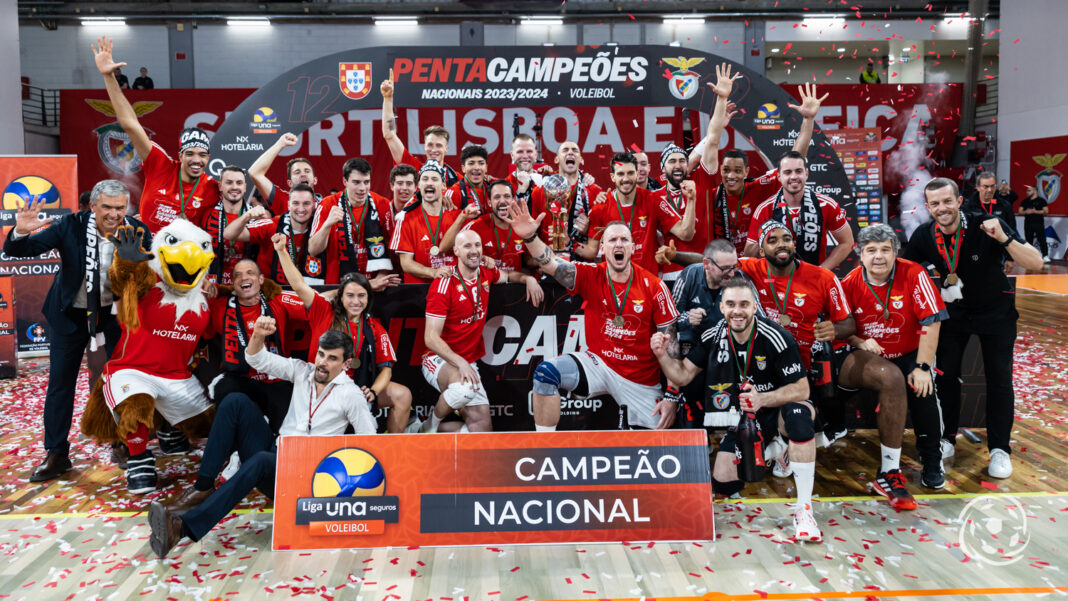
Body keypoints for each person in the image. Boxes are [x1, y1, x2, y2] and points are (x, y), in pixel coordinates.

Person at [148, 319, 376, 559]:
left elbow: (370, 444)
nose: (322, 363)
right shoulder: (302, 371)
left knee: (260, 460)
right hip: (277, 457)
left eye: (332, 358)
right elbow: (257, 359)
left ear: (346, 363)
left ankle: (182, 528)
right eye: (321, 354)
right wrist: (257, 334)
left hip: (307, 479)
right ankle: (203, 488)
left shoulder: (351, 395)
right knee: (235, 402)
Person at [650, 277, 821, 542]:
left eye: (744, 304)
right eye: (730, 304)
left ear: (755, 307)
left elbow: (802, 390)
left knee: (797, 416)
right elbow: (683, 375)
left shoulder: (776, 336)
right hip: (744, 417)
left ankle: (804, 510)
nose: (737, 310)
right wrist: (663, 356)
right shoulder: (712, 334)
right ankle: (778, 450)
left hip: (777, 407)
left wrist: (762, 399)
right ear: (722, 307)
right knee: (724, 481)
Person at [3, 180, 150, 481]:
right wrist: (20, 231)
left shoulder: (137, 230)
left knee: (121, 382)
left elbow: (147, 277)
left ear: (127, 207)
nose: (113, 214)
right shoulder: (69, 225)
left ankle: (122, 443)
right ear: (92, 206)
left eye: (119, 207)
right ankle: (56, 454)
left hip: (112, 318)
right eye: (106, 207)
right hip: (69, 315)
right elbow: (19, 250)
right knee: (60, 385)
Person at [903, 177, 1043, 479]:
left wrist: (1004, 239)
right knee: (947, 377)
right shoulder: (924, 235)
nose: (942, 208)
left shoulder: (987, 224)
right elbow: (903, 271)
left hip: (996, 313)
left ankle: (1000, 449)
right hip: (954, 314)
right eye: (935, 204)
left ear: (959, 201)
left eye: (947, 201)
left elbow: (1036, 262)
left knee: (1000, 380)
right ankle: (947, 438)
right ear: (928, 207)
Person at [503, 202, 680, 431]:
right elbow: (551, 265)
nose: (619, 244)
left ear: (633, 247)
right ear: (602, 248)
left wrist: (673, 397)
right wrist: (529, 238)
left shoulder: (654, 287)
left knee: (656, 444)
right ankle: (545, 447)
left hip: (640, 379)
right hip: (600, 364)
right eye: (612, 240)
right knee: (546, 373)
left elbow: (673, 348)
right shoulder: (591, 274)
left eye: (624, 240)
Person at [841, 224, 949, 490]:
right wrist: (860, 341)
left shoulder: (914, 273)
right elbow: (843, 330)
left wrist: (923, 367)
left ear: (895, 253)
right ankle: (831, 426)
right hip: (871, 358)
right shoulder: (848, 283)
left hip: (909, 353)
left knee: (923, 389)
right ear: (860, 255)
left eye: (885, 250)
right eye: (871, 250)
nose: (879, 256)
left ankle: (932, 458)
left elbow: (932, 321)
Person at [272, 234, 413, 434]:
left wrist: (373, 391)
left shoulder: (374, 327)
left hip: (355, 387)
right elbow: (299, 285)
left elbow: (386, 369)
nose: (356, 301)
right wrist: (281, 251)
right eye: (350, 295)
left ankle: (390, 452)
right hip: (323, 383)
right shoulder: (323, 311)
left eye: (361, 296)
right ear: (341, 296)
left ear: (368, 297)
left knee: (403, 395)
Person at [92, 37, 217, 233]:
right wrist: (109, 77)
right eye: (190, 153)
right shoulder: (160, 165)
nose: (196, 160)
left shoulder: (212, 187)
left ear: (208, 158)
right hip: (147, 256)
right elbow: (130, 125)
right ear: (180, 156)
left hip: (186, 260)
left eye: (202, 155)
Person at [422, 230, 541, 433]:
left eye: (477, 245)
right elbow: (430, 338)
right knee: (464, 389)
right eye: (467, 246)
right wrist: (460, 363)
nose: (474, 250)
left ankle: (418, 431)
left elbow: (509, 275)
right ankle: (428, 427)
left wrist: (528, 279)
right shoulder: (444, 282)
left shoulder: (486, 273)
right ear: (456, 251)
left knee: (481, 432)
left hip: (467, 362)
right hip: (438, 359)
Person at [700, 79, 826, 254]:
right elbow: (712, 143)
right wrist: (720, 104)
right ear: (720, 170)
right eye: (726, 170)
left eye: (737, 171)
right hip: (723, 263)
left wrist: (808, 120)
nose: (731, 176)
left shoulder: (761, 186)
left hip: (757, 263)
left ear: (747, 171)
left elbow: (797, 156)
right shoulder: (712, 196)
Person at [203, 259, 308, 433]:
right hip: (242, 379)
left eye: (250, 273)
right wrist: (205, 283)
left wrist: (346, 292)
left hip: (276, 380)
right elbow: (188, 297)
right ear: (232, 284)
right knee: (224, 387)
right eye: (237, 275)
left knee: (287, 432)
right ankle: (234, 449)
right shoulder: (219, 305)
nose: (244, 277)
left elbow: (317, 303)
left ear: (261, 280)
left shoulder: (278, 300)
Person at [583, 152, 696, 274]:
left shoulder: (653, 200)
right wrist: (569, 243)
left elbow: (686, 234)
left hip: (648, 284)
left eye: (630, 173)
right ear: (612, 177)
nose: (625, 179)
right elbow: (590, 250)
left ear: (637, 174)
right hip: (615, 285)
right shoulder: (601, 207)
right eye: (620, 174)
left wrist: (691, 199)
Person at [744, 151, 854, 271]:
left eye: (798, 171)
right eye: (787, 172)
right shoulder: (765, 209)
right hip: (778, 280)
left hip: (812, 279)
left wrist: (821, 271)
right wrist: (765, 236)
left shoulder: (826, 205)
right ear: (779, 177)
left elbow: (847, 243)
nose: (794, 177)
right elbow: (749, 254)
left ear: (806, 174)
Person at [308, 157, 397, 286]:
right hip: (338, 286)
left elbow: (392, 250)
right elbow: (313, 250)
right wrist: (328, 224)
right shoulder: (327, 205)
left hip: (376, 285)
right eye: (356, 182)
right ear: (345, 181)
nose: (362, 188)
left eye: (366, 182)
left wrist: (380, 278)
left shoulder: (382, 204)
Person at [224, 183, 324, 286]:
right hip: (272, 295)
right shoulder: (271, 225)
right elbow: (229, 234)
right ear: (288, 205)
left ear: (313, 205)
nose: (301, 208)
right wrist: (247, 216)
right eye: (296, 203)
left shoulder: (321, 233)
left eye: (306, 203)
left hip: (308, 295)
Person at [380, 72, 459, 187]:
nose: (434, 149)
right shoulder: (413, 168)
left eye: (439, 145)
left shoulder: (456, 179)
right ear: (424, 146)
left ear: (446, 149)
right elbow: (389, 135)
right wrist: (388, 98)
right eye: (430, 145)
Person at [529, 141, 603, 254]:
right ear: (556, 159)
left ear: (581, 160)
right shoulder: (539, 192)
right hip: (548, 263)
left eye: (575, 150)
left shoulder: (595, 192)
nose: (570, 153)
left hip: (581, 265)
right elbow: (530, 235)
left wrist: (588, 231)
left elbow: (599, 245)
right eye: (565, 150)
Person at [392, 160, 461, 283]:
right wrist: (433, 272)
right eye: (425, 179)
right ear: (419, 185)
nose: (429, 183)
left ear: (444, 186)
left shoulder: (458, 217)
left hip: (451, 288)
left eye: (435, 179)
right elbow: (406, 263)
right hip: (418, 292)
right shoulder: (405, 219)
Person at [201, 165, 251, 286]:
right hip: (214, 287)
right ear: (220, 186)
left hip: (246, 288)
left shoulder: (255, 217)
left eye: (239, 183)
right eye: (229, 182)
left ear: (244, 187)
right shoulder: (206, 215)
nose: (234, 187)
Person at [247, 132, 321, 215]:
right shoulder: (282, 200)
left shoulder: (327, 204)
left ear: (315, 180)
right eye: (297, 172)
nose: (303, 174)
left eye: (307, 171)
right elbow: (255, 173)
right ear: (289, 183)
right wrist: (280, 144)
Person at [445, 145, 493, 212]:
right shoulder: (454, 193)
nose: (476, 167)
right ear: (463, 168)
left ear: (486, 168)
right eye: (471, 163)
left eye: (481, 163)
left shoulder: (493, 188)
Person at [507, 133, 545, 207]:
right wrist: (521, 192)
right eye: (520, 152)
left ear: (536, 154)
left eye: (529, 151)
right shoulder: (504, 185)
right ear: (512, 155)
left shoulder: (546, 182)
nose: (525, 156)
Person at [1019, 185, 1050, 261]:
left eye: (1029, 191)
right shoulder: (1025, 201)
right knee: (1028, 240)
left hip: (1038, 223)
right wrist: (1026, 211)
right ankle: (1029, 256)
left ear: (1035, 191)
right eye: (1027, 191)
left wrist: (1035, 211)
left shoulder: (1041, 200)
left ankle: (1045, 256)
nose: (1027, 192)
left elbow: (1046, 211)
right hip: (1028, 223)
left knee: (1042, 240)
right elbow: (1020, 211)